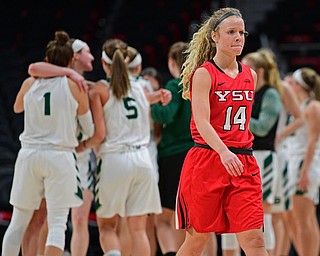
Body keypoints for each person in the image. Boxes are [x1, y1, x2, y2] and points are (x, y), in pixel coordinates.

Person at [175, 7, 268, 256]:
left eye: (241, 32)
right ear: (215, 36)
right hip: (209, 160)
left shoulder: (251, 75)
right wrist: (224, 151)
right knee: (197, 241)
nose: (238, 37)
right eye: (231, 32)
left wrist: (233, 152)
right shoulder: (204, 74)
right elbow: (202, 121)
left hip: (242, 161)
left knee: (255, 240)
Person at [1, 31, 94, 256]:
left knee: (18, 221)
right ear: (71, 60)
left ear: (47, 59)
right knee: (57, 224)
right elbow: (89, 129)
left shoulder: (30, 82)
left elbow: (16, 108)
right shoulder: (75, 87)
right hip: (59, 156)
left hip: (29, 154)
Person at [75, 38, 170, 256]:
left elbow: (99, 135)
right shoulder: (141, 86)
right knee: (138, 230)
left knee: (107, 227)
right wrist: (161, 95)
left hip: (115, 160)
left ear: (103, 61)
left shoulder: (99, 90)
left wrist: (82, 146)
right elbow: (144, 100)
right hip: (143, 160)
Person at [27, 37, 96, 256]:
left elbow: (95, 132)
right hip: (58, 154)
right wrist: (70, 73)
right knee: (46, 216)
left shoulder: (91, 87)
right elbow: (34, 67)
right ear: (75, 55)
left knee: (77, 218)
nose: (91, 56)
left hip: (79, 158)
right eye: (87, 52)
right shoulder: (57, 77)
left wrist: (83, 146)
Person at [150, 41, 194, 256]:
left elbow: (165, 115)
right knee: (200, 222)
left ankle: (171, 253)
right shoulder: (202, 82)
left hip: (175, 156)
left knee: (168, 217)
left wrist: (152, 104)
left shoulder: (174, 86)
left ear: (171, 62)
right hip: (199, 154)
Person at [286, 67, 320, 256]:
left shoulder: (313, 106)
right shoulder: (301, 106)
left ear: (299, 86)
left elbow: (313, 141)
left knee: (303, 219)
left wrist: (305, 171)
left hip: (305, 165)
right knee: (303, 218)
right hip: (298, 164)